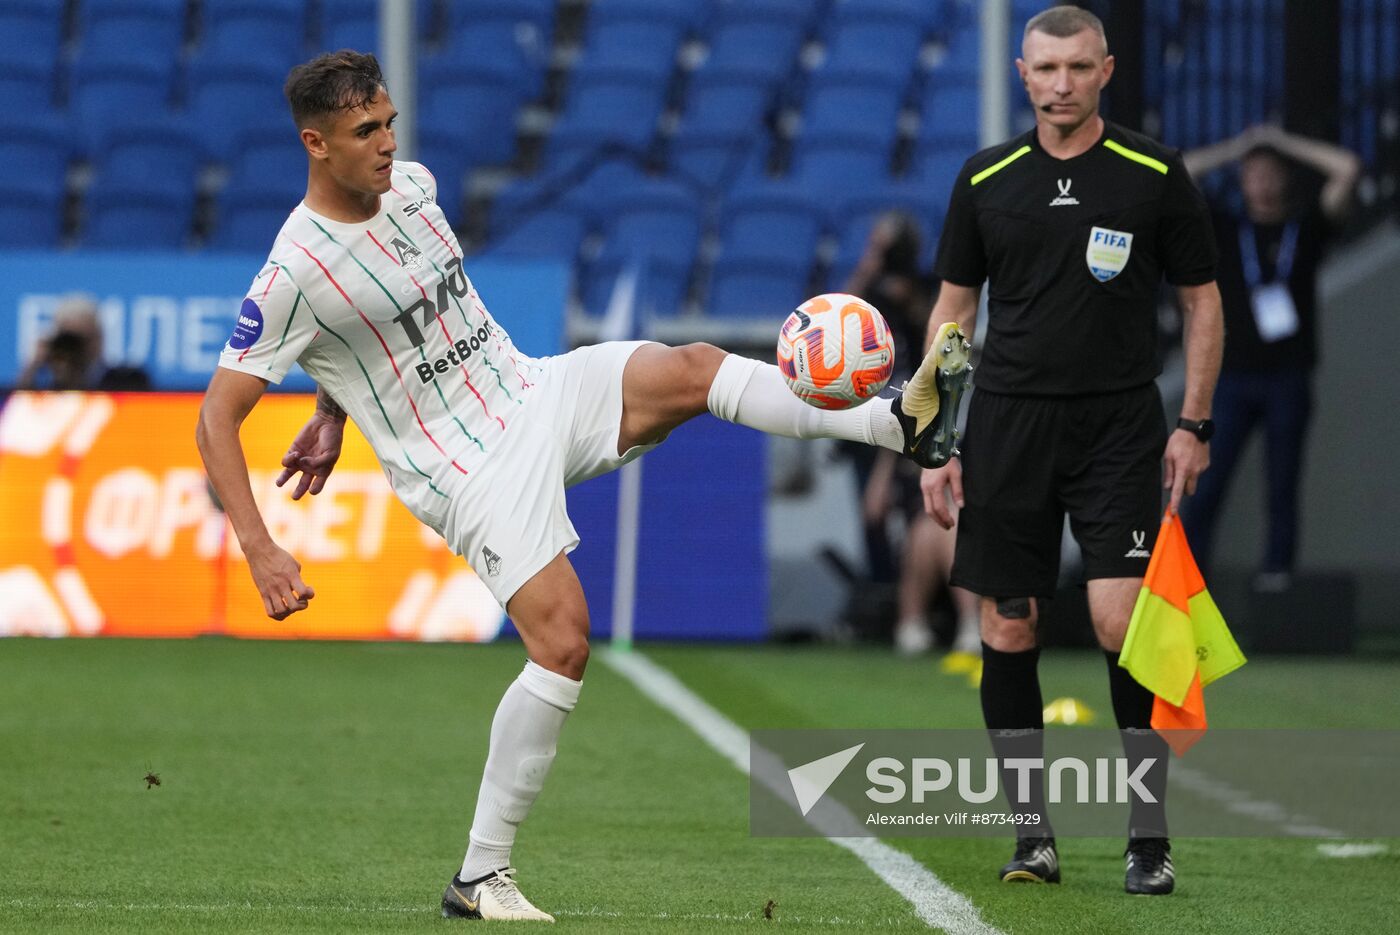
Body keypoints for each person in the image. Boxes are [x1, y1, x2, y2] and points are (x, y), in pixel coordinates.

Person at [193, 50, 971, 922]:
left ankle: (896, 423)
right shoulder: (292, 270)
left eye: (388, 122)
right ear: (316, 144)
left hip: (530, 388)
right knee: (562, 643)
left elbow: (383, 330)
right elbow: (216, 418)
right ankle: (480, 875)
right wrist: (259, 546)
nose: (386, 143)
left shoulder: (413, 185)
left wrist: (333, 410)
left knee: (693, 368)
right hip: (465, 465)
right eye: (364, 131)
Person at [918, 7, 1223, 896]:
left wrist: (1193, 425)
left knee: (1121, 623)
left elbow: (1203, 304)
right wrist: (938, 439)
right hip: (1009, 426)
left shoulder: (1153, 173)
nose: (1061, 84)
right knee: (1008, 625)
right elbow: (953, 309)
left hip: (1121, 426)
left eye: (1078, 68)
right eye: (1046, 68)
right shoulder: (986, 178)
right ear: (1023, 73)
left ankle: (1148, 837)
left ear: (1106, 70)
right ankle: (1031, 839)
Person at [1179, 125, 1360, 589]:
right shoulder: (1226, 227)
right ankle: (1190, 582)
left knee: (1282, 484)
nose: (1261, 181)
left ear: (1284, 178)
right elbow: (1179, 171)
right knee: (1206, 483)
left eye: (1270, 172)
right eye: (1252, 173)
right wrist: (1238, 146)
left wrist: (1282, 142)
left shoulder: (1306, 228)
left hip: (1288, 377)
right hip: (1232, 378)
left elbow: (1347, 169)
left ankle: (1276, 578)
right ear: (1241, 179)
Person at [843, 212, 980, 657]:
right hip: (878, 417)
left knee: (939, 521)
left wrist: (912, 298)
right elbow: (835, 317)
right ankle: (915, 618)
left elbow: (946, 330)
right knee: (912, 524)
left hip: (927, 414)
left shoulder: (924, 287)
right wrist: (869, 267)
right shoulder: (869, 293)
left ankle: (939, 621)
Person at [15, 295, 150, 392]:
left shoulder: (129, 381)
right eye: (68, 340)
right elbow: (14, 417)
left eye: (82, 339)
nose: (74, 348)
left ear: (99, 339)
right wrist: (33, 366)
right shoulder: (49, 391)